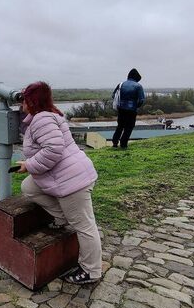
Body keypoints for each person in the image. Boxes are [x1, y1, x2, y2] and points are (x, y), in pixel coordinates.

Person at [16, 81, 102, 284]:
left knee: (85, 226)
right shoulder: (47, 116)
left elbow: (53, 149)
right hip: (67, 174)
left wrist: (29, 165)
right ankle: (62, 217)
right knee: (28, 187)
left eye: (24, 98)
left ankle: (91, 270)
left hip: (72, 181)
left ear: (32, 100)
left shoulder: (42, 120)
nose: (21, 103)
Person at [111, 68, 145, 148]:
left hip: (121, 109)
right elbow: (141, 100)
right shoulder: (138, 86)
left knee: (120, 126)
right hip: (132, 110)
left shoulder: (121, 84)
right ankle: (123, 143)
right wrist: (136, 106)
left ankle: (115, 142)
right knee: (129, 127)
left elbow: (113, 96)